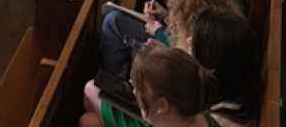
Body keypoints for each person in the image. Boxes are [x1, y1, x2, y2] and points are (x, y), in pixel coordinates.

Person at [85, 29, 231, 127]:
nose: (133, 91)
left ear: (162, 105)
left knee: (88, 119)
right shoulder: (197, 112)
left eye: (137, 88)